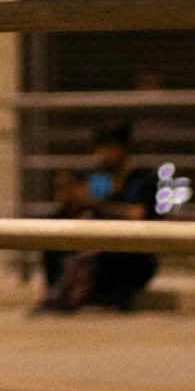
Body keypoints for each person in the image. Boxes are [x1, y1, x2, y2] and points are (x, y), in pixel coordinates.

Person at [40, 121, 161, 312]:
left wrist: (93, 202)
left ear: (122, 148)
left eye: (106, 147)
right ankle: (55, 293)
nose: (100, 154)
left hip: (132, 257)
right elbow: (87, 206)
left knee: (107, 247)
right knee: (55, 225)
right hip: (98, 252)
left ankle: (99, 293)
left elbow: (137, 214)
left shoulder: (143, 178)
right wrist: (70, 197)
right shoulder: (100, 178)